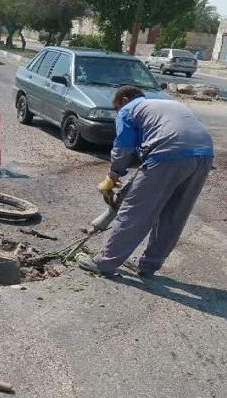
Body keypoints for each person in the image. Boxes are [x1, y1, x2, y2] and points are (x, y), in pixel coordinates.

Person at [75, 85, 214, 277]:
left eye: (116, 108)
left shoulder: (128, 109)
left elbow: (123, 148)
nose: (118, 114)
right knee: (174, 215)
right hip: (204, 154)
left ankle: (104, 264)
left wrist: (113, 175)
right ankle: (148, 266)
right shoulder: (167, 105)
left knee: (134, 212)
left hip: (168, 153)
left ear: (124, 100)